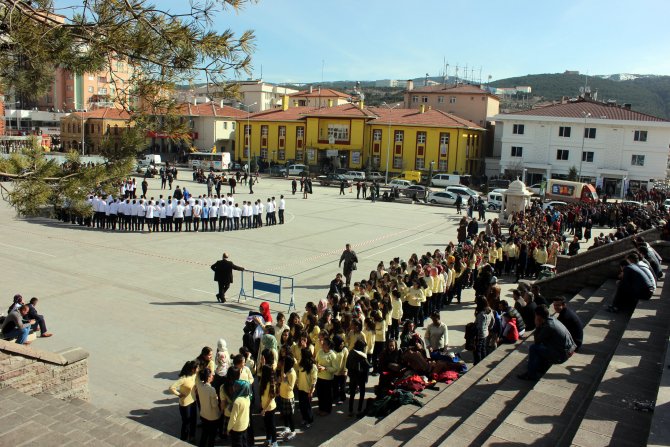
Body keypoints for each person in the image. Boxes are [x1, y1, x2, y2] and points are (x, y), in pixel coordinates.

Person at [518, 305, 576, 381]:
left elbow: (537, 342)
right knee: (542, 346)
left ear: (538, 316)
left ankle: (531, 375)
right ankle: (540, 366)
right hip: (568, 350)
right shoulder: (552, 319)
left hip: (561, 356)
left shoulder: (548, 326)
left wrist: (537, 326)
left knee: (533, 348)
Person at [169, 361, 197, 442]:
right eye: (196, 368)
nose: (198, 369)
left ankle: (192, 436)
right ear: (192, 369)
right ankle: (184, 438)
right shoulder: (183, 379)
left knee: (193, 420)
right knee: (186, 422)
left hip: (193, 401)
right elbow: (171, 387)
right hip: (185, 404)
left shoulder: (194, 375)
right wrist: (179, 394)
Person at [195, 367, 221, 447]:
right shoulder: (211, 389)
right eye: (211, 375)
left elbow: (197, 378)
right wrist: (216, 398)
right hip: (212, 416)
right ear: (208, 377)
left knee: (204, 433)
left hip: (203, 414)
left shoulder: (199, 385)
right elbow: (214, 405)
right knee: (211, 437)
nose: (213, 376)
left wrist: (198, 371)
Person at [346, 339, 370, 418]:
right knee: (362, 393)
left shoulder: (351, 352)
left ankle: (350, 410)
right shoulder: (362, 356)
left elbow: (347, 365)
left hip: (352, 376)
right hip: (361, 377)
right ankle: (359, 409)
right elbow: (368, 366)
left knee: (352, 393)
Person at [296, 346, 317, 427]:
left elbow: (314, 380)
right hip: (300, 388)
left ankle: (309, 420)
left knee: (307, 406)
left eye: (302, 354)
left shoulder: (313, 366)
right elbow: (298, 375)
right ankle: (304, 418)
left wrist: (311, 391)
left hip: (308, 390)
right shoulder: (301, 364)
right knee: (302, 405)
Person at [278, 356, 297, 441]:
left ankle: (293, 432)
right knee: (284, 415)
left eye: (284, 362)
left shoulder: (292, 373)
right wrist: (281, 380)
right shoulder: (285, 370)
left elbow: (290, 387)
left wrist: (284, 379)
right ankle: (287, 428)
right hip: (283, 395)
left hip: (288, 397)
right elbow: (282, 380)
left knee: (289, 416)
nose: (283, 364)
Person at [227, 380, 252, 447]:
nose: (233, 387)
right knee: (244, 442)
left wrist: (228, 428)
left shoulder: (237, 401)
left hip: (237, 429)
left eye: (235, 386)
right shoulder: (247, 398)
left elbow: (233, 418)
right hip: (245, 425)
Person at [259, 359, 278, 447]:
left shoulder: (271, 384)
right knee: (266, 425)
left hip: (270, 408)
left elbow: (271, 398)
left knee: (272, 425)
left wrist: (264, 409)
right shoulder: (263, 382)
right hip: (264, 407)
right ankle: (268, 439)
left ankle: (274, 442)